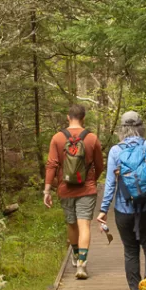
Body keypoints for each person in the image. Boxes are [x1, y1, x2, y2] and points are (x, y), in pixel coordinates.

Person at [97, 111, 146, 290]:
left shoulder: (115, 151)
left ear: (122, 129)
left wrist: (103, 210)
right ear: (141, 126)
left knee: (130, 250)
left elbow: (110, 184)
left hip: (123, 210)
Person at [44, 104, 104, 279]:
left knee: (71, 224)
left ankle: (76, 255)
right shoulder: (92, 138)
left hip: (65, 187)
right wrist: (92, 179)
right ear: (83, 118)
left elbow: (52, 165)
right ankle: (82, 265)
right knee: (84, 224)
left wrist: (47, 190)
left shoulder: (57, 138)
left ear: (68, 117)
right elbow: (100, 165)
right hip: (87, 188)